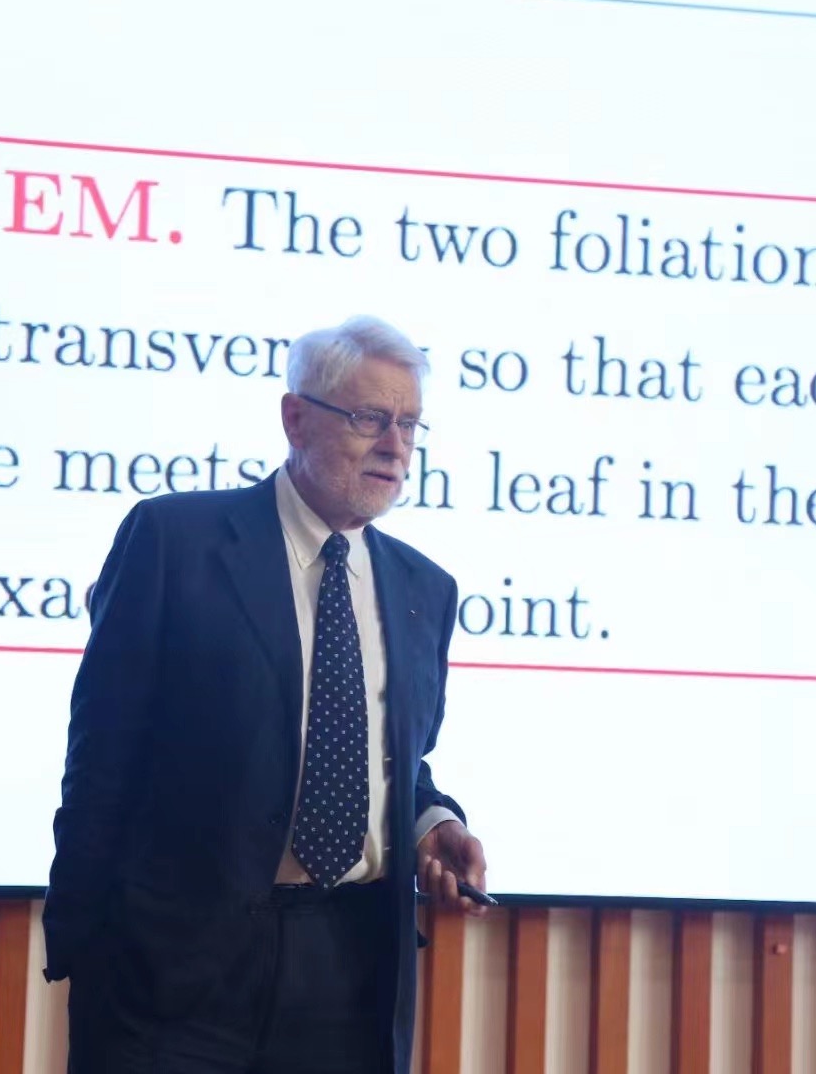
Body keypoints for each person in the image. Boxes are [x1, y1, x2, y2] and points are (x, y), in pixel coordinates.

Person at [41, 314, 489, 1073]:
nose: (395, 445)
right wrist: (84, 940)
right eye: (369, 417)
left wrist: (430, 823)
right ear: (295, 418)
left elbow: (394, 759)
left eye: (410, 424)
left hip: (349, 971)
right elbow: (102, 753)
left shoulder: (425, 589)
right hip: (173, 970)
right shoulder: (174, 542)